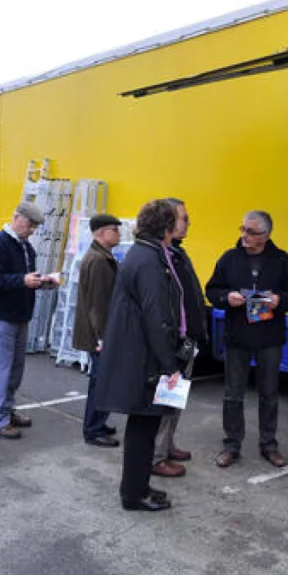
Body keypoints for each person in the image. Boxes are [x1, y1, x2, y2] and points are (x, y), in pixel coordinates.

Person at [94, 200, 184, 512]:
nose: (182, 226)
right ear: (167, 227)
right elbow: (155, 315)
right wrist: (170, 364)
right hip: (144, 359)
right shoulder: (148, 260)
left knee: (143, 429)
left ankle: (139, 486)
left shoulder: (144, 253)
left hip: (141, 355)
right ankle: (134, 495)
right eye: (179, 221)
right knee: (143, 430)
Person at [206, 210, 288, 469]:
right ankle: (231, 444)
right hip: (238, 336)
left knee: (269, 394)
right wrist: (227, 298)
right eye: (243, 229)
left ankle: (269, 444)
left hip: (269, 337)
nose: (244, 236)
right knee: (233, 394)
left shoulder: (281, 260)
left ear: (267, 235)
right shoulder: (229, 258)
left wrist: (280, 300)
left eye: (251, 232)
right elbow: (212, 289)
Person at [0, 202, 59, 439]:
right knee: (1, 370)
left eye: (35, 226)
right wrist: (23, 281)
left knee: (14, 369)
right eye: (30, 224)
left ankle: (6, 410)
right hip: (0, 315)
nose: (32, 230)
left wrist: (42, 281)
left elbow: (22, 278)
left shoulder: (24, 246)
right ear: (16, 218)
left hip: (18, 314)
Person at [152, 198, 207, 478]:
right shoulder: (161, 257)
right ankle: (157, 456)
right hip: (173, 343)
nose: (188, 223)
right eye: (184, 218)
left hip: (187, 341)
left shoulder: (178, 253)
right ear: (167, 221)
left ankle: (168, 445)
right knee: (165, 400)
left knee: (175, 399)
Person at [73, 213, 122, 448]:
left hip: (97, 333)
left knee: (102, 380)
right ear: (101, 233)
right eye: (115, 229)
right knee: (101, 381)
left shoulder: (100, 256)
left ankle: (98, 423)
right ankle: (93, 429)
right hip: (99, 334)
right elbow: (99, 304)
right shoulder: (99, 260)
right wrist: (103, 337)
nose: (119, 234)